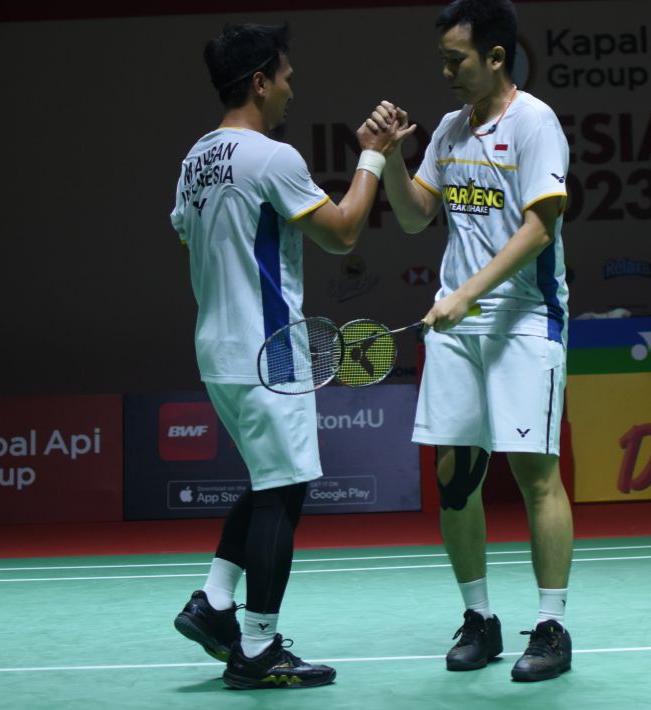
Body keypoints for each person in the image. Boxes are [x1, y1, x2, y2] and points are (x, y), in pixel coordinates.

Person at [169, 22, 409, 690]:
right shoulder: (273, 158)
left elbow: (189, 239)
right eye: (286, 77)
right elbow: (341, 233)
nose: (291, 88)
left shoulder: (196, 159)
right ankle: (256, 647)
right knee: (285, 491)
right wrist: (372, 157)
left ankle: (215, 605)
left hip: (215, 347)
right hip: (269, 349)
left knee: (272, 477)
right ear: (258, 82)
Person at [367, 0, 574, 683]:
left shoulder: (535, 123)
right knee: (455, 480)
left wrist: (467, 293)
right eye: (443, 61)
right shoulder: (452, 131)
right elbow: (412, 215)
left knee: (534, 473)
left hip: (522, 319)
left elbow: (539, 228)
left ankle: (551, 627)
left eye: (457, 60)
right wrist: (391, 158)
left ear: (496, 57)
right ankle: (479, 619)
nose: (447, 72)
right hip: (458, 325)